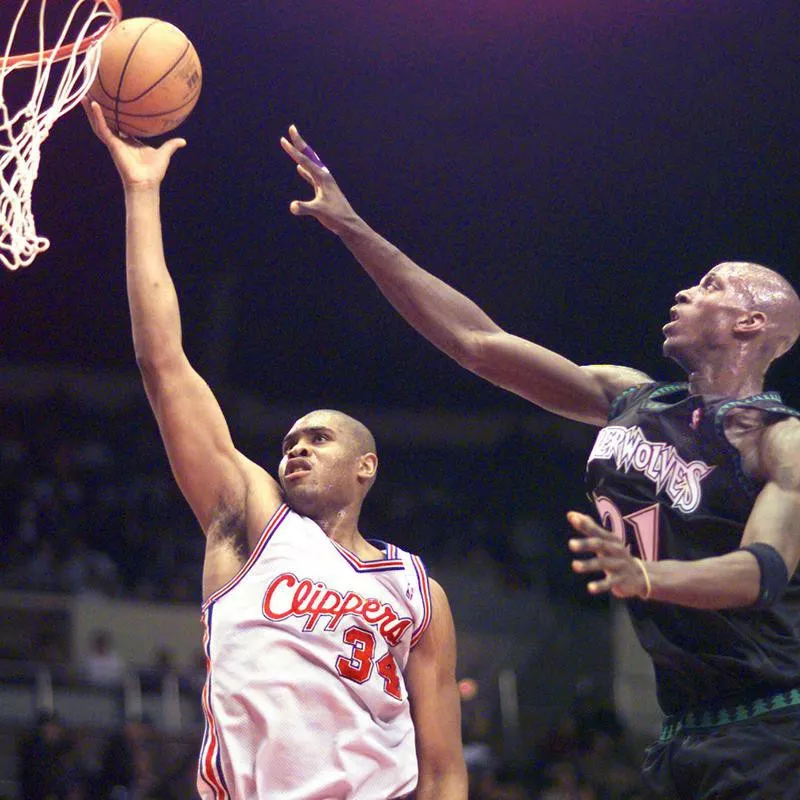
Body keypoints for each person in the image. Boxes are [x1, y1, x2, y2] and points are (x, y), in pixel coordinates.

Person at [281, 125, 800, 800]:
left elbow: (762, 571)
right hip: (685, 730)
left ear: (751, 325)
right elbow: (477, 342)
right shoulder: (628, 396)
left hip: (775, 722)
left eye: (709, 287)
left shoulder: (777, 437)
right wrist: (353, 228)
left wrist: (649, 575)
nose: (684, 293)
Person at [82, 101, 467, 800]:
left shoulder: (417, 590)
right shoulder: (249, 517)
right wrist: (142, 194)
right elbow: (163, 364)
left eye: (318, 439)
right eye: (289, 441)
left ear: (365, 466)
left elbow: (442, 768)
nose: (295, 450)